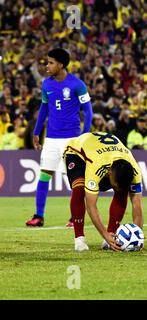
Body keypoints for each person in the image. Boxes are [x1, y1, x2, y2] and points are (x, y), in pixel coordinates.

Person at [26, 48, 93, 227]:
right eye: (47, 62)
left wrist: (85, 134)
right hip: (51, 139)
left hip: (71, 139)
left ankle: (75, 217)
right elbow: (43, 109)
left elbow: (88, 110)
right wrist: (36, 132)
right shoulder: (46, 85)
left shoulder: (77, 84)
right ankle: (38, 216)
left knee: (73, 180)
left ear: (61, 65)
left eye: (51, 62)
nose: (47, 66)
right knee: (44, 175)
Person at [62, 132, 144, 251]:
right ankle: (79, 238)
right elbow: (91, 206)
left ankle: (112, 234)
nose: (114, 187)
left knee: (122, 190)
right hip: (76, 152)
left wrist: (138, 234)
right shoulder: (97, 166)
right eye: (114, 185)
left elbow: (137, 203)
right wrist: (104, 234)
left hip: (106, 151)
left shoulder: (135, 169)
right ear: (109, 173)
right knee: (79, 189)